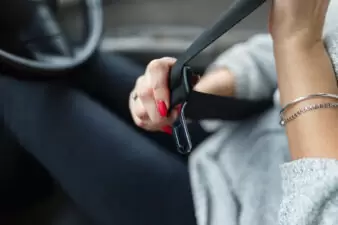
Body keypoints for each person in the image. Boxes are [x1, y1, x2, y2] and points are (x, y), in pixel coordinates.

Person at [129, 0, 338, 225]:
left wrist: (297, 43)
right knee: (90, 69)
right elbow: (277, 51)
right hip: (229, 144)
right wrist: (192, 97)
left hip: (233, 210)